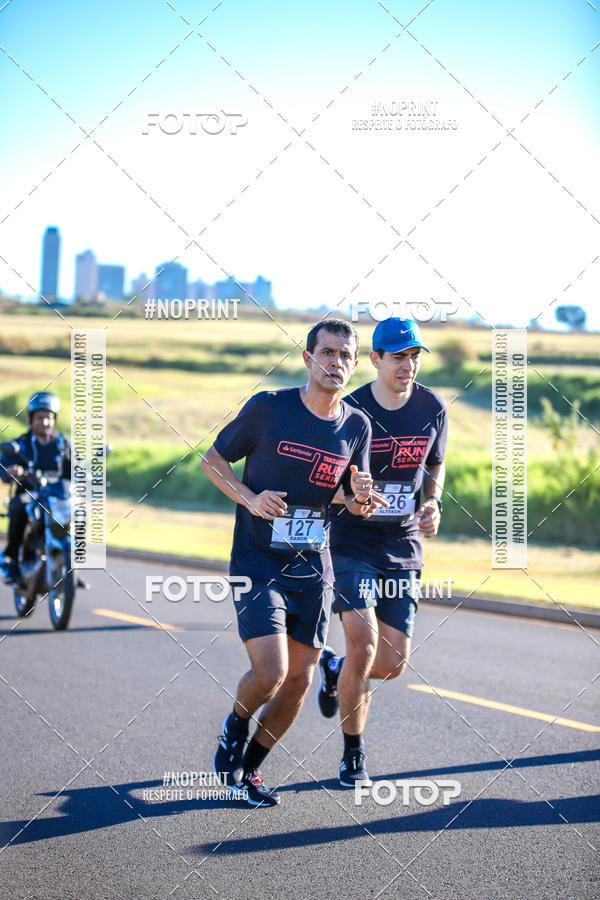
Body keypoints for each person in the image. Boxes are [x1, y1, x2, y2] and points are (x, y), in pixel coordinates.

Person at [201, 319, 387, 807]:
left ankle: (251, 771)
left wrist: (364, 498)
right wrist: (249, 497)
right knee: (271, 673)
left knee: (301, 681)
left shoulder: (356, 425)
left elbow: (351, 499)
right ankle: (235, 725)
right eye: (327, 353)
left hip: (313, 566)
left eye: (345, 355)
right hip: (258, 560)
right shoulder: (268, 409)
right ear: (308, 359)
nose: (336, 363)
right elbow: (212, 461)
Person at [317, 317, 448, 787]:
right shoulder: (348, 411)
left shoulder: (432, 407)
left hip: (403, 544)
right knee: (364, 642)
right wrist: (351, 496)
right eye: (398, 356)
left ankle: (335, 668)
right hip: (352, 542)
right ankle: (353, 755)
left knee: (391, 663)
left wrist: (431, 503)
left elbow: (436, 464)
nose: (407, 365)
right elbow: (325, 478)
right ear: (374, 359)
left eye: (414, 356)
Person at [0, 392, 71, 584]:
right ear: (31, 419)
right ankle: (11, 559)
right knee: (19, 505)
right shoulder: (22, 443)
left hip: (58, 497)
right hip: (31, 494)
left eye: (49, 417)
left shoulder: (62, 444)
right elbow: (4, 465)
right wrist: (11, 471)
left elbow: (76, 467)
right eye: (40, 417)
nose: (45, 422)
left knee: (78, 513)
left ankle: (71, 568)